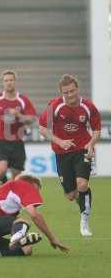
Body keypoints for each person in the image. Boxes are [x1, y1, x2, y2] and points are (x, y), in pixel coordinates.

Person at [39, 74, 101, 236]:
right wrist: (59, 141)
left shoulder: (88, 106)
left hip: (82, 149)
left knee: (82, 185)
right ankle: (82, 201)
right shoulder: (54, 106)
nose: (70, 95)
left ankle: (85, 219)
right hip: (61, 152)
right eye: (66, 93)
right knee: (70, 195)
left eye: (72, 91)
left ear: (77, 89)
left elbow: (96, 130)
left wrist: (91, 143)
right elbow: (42, 129)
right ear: (61, 92)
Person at [0, 174, 69, 257]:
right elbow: (34, 215)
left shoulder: (8, 190)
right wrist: (52, 238)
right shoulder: (24, 185)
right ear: (32, 183)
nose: (37, 193)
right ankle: (16, 239)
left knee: (26, 249)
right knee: (23, 220)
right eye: (37, 189)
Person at [0, 70, 37, 184]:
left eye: (11, 80)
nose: (9, 83)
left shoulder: (22, 100)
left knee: (16, 178)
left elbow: (31, 119)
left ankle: (10, 194)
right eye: (6, 80)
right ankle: (2, 182)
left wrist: (19, 115)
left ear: (15, 82)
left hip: (17, 142)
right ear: (3, 83)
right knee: (0, 171)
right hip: (1, 141)